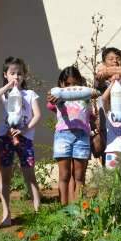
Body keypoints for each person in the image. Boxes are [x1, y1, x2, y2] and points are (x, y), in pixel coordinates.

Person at [0, 57, 41, 227]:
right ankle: (6, 214)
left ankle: (38, 211)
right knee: (5, 176)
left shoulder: (29, 94)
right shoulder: (4, 95)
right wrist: (9, 86)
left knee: (29, 175)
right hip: (5, 138)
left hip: (25, 138)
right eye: (12, 73)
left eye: (20, 73)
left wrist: (24, 129)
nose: (16, 77)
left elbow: (37, 115)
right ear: (5, 75)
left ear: (24, 76)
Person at [46, 65, 93, 204]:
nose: (71, 87)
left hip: (82, 137)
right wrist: (52, 97)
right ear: (61, 84)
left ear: (80, 83)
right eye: (67, 84)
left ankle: (78, 210)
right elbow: (50, 105)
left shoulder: (85, 98)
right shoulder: (59, 97)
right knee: (64, 175)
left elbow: (90, 114)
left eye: (75, 84)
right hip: (63, 136)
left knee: (79, 176)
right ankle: (64, 210)